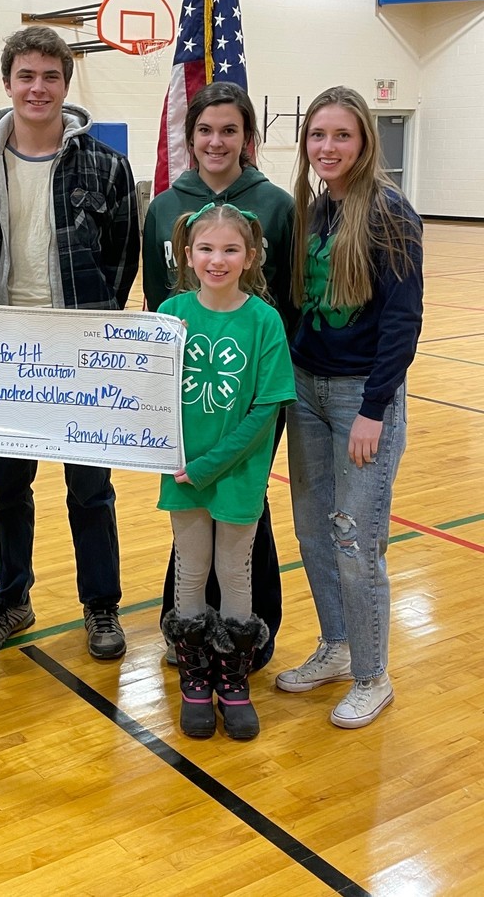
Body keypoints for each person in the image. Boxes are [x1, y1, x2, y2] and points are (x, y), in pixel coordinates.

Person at [0, 25, 140, 659]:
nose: (38, 88)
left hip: (80, 355)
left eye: (50, 77)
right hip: (3, 357)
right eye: (25, 76)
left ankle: (102, 607)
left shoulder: (107, 167)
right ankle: (13, 598)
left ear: (66, 84)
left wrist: (89, 327)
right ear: (7, 84)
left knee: (91, 490)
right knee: (8, 492)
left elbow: (121, 261)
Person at [275, 86, 423, 729]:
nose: (327, 148)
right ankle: (337, 646)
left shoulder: (388, 211)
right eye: (317, 136)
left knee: (356, 540)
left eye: (342, 136)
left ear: (364, 143)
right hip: (307, 389)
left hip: (362, 397)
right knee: (312, 529)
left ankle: (373, 674)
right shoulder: (313, 209)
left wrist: (374, 408)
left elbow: (403, 318)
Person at [143, 82, 296, 670]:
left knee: (242, 511)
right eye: (205, 129)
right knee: (191, 525)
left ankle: (250, 637)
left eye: (229, 130)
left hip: (251, 386)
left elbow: (287, 299)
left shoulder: (277, 205)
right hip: (187, 401)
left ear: (247, 138)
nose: (216, 140)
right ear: (190, 137)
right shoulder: (163, 205)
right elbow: (160, 307)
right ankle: (187, 635)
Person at [158, 204, 295, 739]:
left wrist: (210, 464)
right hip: (181, 473)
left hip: (235, 476)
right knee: (190, 571)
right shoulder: (171, 312)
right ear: (187, 255)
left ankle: (232, 680)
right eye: (206, 249)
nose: (218, 260)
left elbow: (266, 410)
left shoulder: (264, 320)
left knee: (235, 574)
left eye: (230, 250)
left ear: (251, 256)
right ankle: (195, 678)